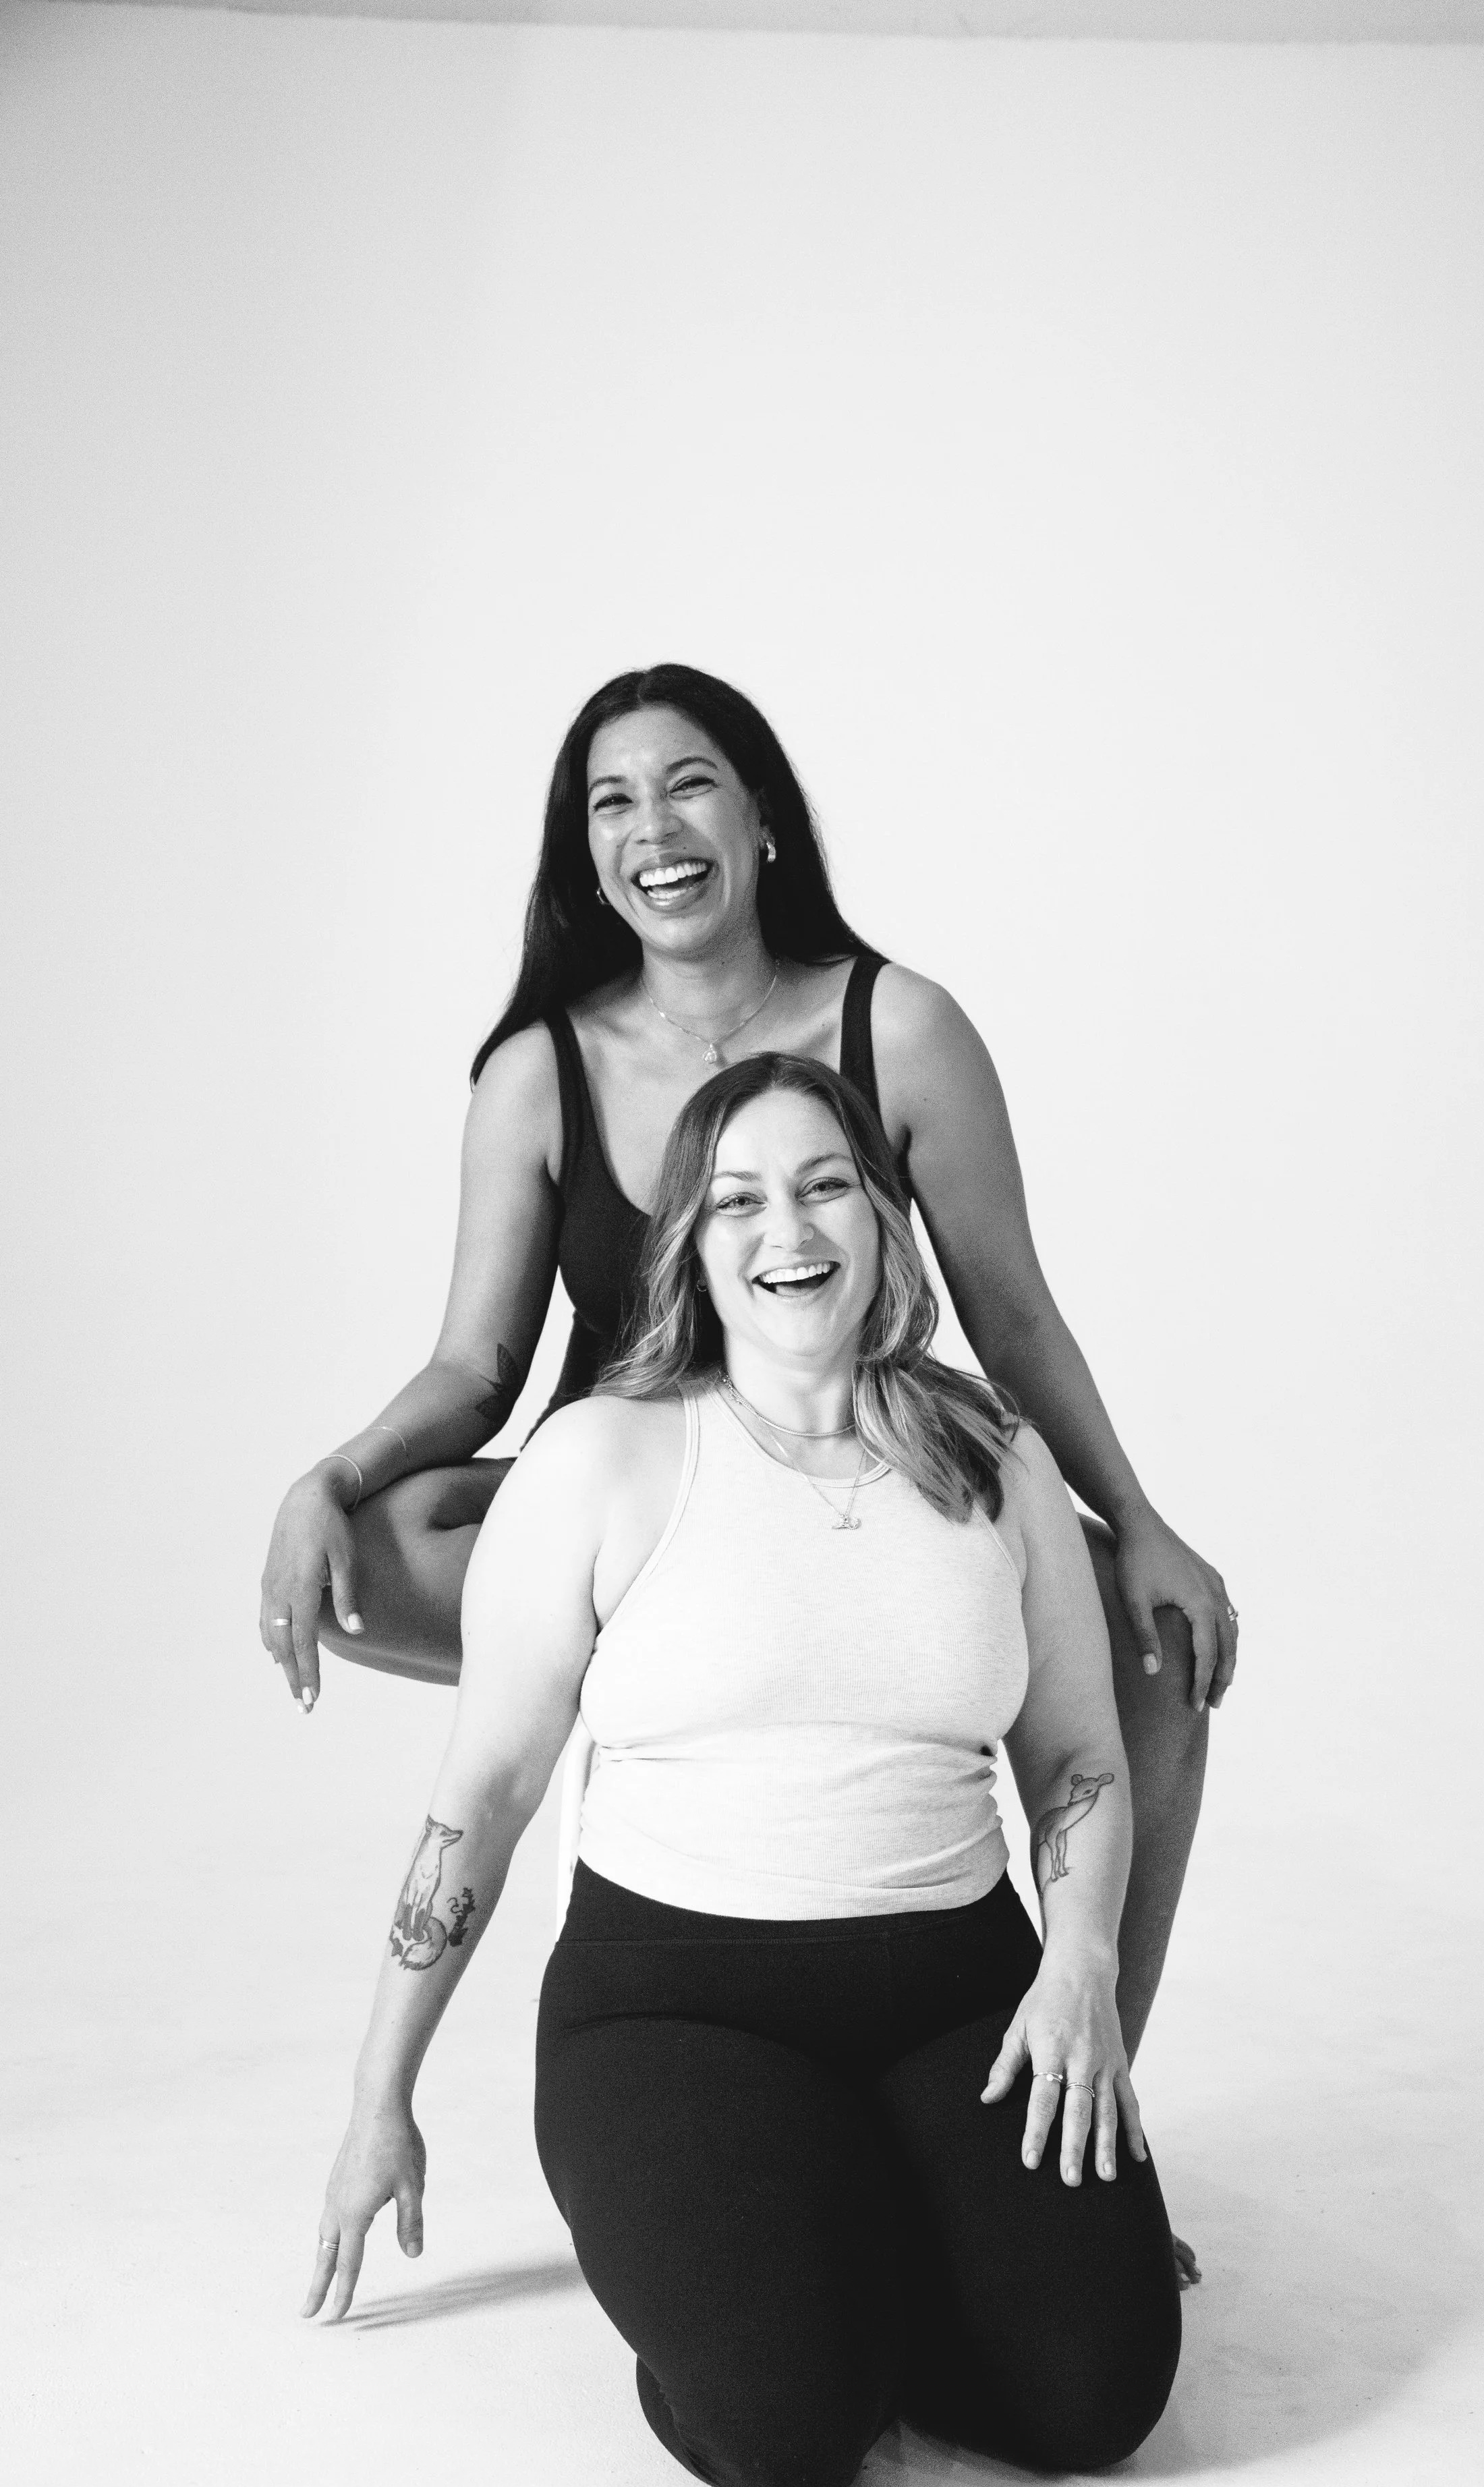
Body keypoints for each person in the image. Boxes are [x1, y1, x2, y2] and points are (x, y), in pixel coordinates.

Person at [260, 662, 1236, 2090]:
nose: (653, 827)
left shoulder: (900, 1025)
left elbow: (1013, 1316)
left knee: (1152, 1648)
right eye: (612, 802)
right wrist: (326, 1478)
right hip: (644, 1517)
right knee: (372, 1541)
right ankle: (665, 1661)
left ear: (762, 814)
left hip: (857, 1483)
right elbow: (475, 1366)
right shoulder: (538, 1070)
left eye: (689, 783)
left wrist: (1137, 1521)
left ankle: (1088, 2087)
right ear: (585, 852)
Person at [304, 1058, 1183, 2487]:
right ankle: (794, 2272)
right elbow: (485, 1794)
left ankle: (867, 2226)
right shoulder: (605, 1459)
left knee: (1098, 2400)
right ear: (692, 1250)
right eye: (738, 1201)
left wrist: (1078, 1958)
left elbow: (1077, 1760)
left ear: (882, 1216)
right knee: (787, 2445)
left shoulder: (997, 1459)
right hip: (676, 2009)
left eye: (825, 1184)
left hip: (959, 1995)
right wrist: (377, 2097)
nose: (789, 1228)